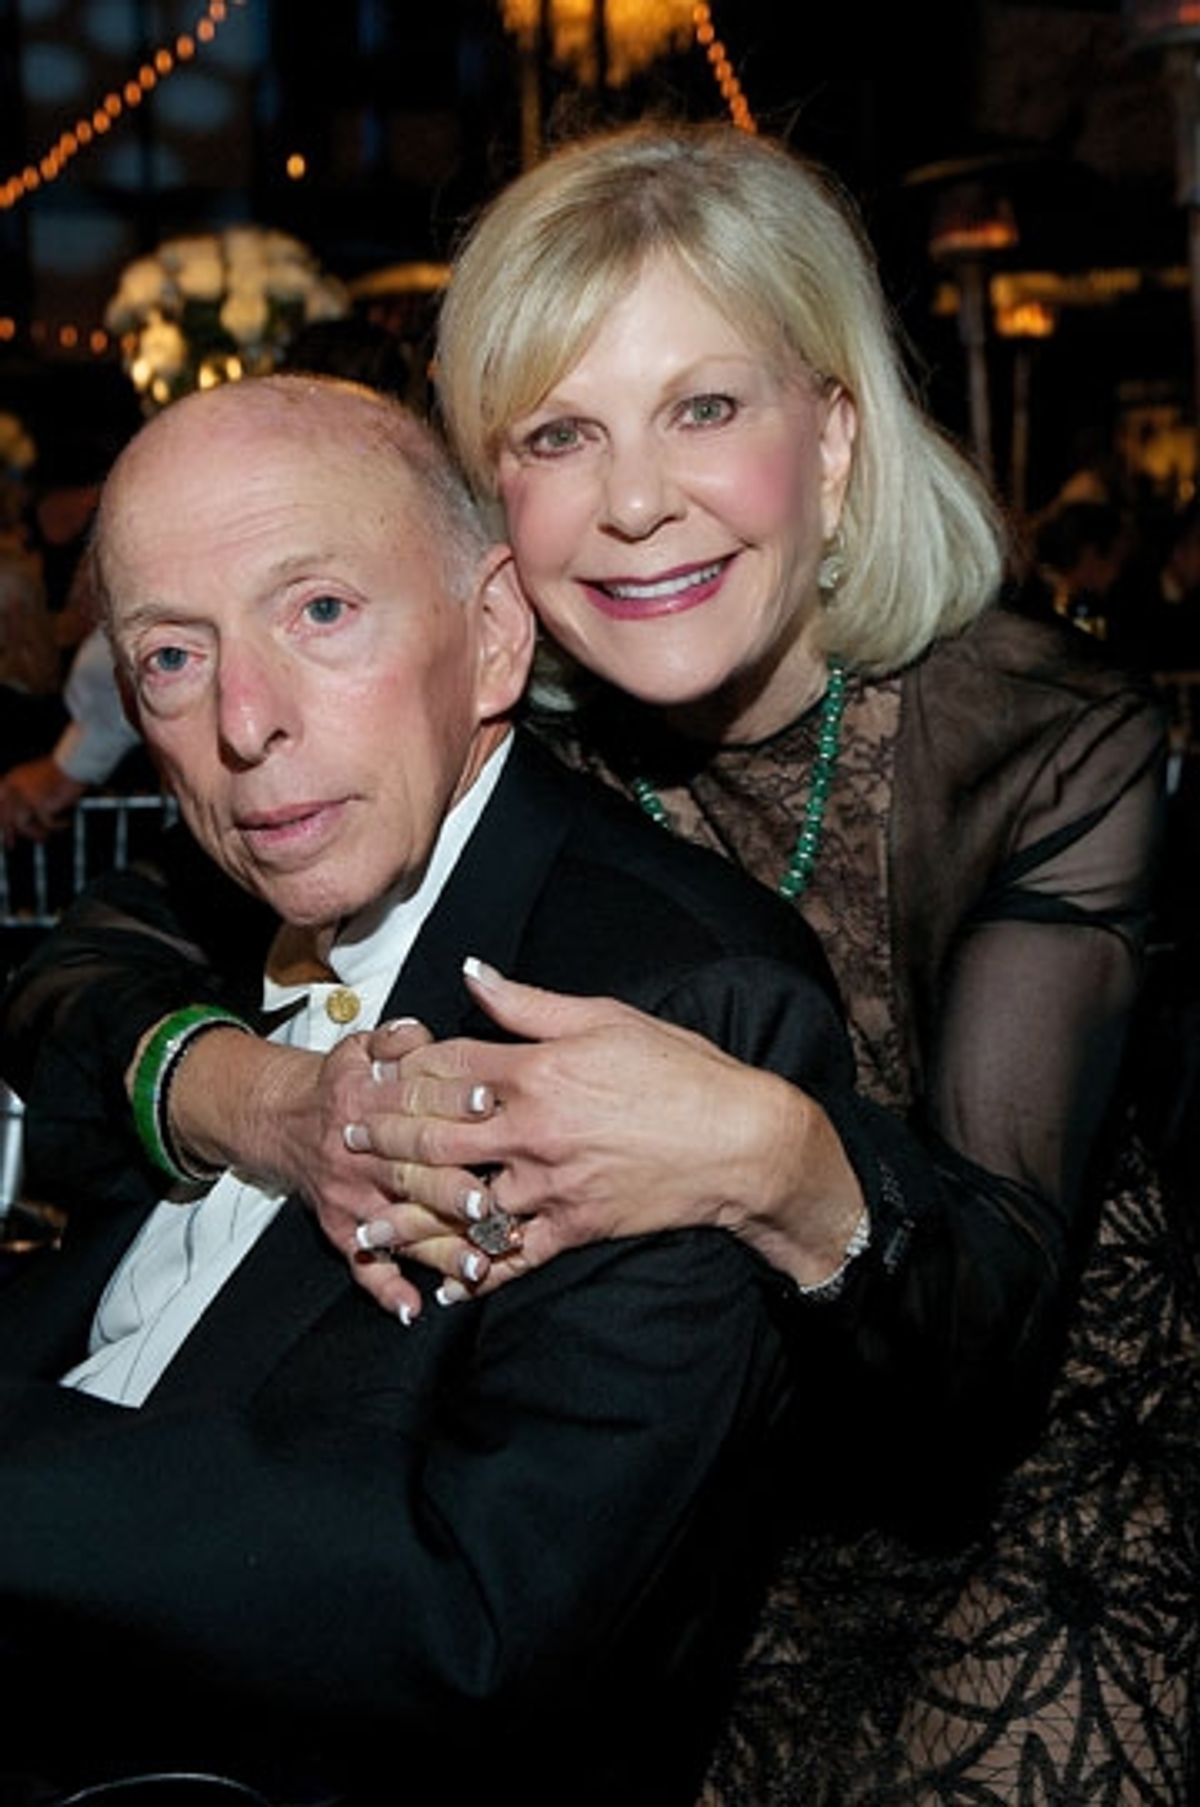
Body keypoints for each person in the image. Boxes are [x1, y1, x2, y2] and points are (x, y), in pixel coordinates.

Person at [2, 123, 1194, 1804]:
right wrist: (266, 1098)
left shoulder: (1037, 746)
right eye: (563, 433)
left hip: (1006, 1433)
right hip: (688, 1464)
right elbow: (94, 956)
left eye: (706, 408)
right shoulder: (501, 689)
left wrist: (766, 1151)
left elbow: (983, 1354)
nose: (637, 502)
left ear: (834, 435)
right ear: (500, 521)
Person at [0, 373, 860, 1805]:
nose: (247, 722)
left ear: (496, 628)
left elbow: (485, 1612)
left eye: (322, 612)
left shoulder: (664, 998)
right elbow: (66, 1012)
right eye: (171, 657)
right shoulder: (227, 889)